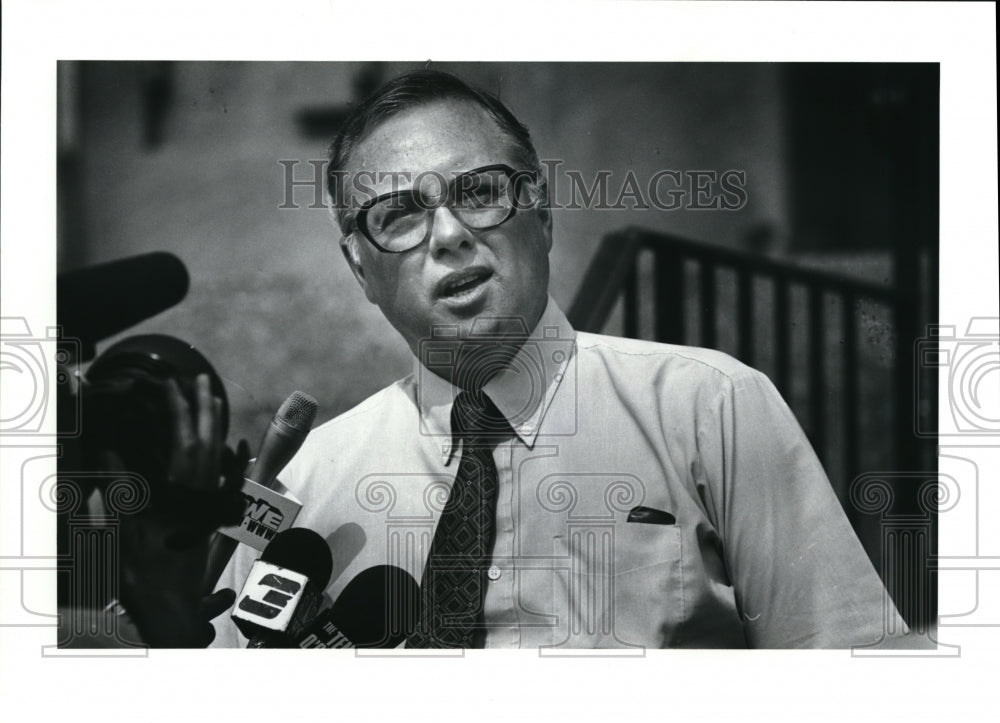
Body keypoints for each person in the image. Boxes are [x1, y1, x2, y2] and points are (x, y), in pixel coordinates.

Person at [213, 69, 907, 649]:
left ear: (540, 214)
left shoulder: (709, 407)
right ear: (360, 268)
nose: (450, 235)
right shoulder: (305, 481)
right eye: (399, 214)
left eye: (479, 191)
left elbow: (850, 676)